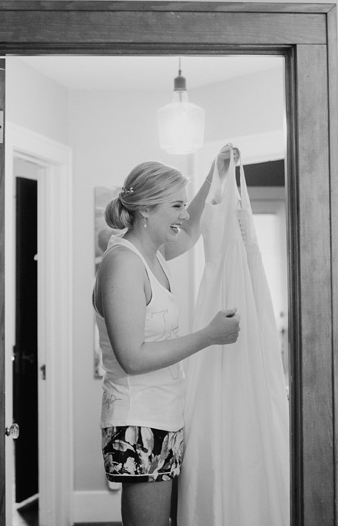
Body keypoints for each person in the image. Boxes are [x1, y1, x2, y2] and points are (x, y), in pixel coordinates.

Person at [92, 145, 241, 526]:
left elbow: (190, 232)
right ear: (146, 210)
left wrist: (214, 173)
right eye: (175, 205)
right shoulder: (124, 264)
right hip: (138, 422)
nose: (184, 213)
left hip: (164, 415)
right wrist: (208, 335)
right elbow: (133, 357)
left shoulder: (152, 253)